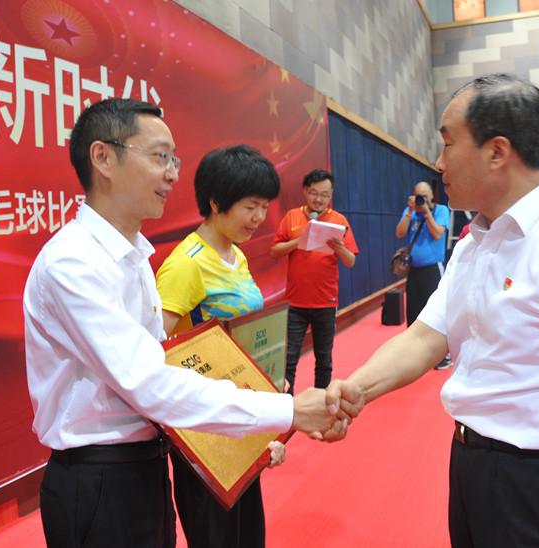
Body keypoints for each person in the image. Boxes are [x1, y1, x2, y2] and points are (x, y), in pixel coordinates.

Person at [325, 74, 539, 547]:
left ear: (497, 152)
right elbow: (425, 337)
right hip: (472, 464)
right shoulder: (473, 244)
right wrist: (356, 388)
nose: (439, 163)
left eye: (447, 144)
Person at [23, 98, 347, 548]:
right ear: (103, 158)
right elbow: (149, 381)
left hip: (149, 466)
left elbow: (175, 363)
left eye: (173, 160)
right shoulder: (72, 264)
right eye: (160, 157)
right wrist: (285, 410)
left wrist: (254, 430)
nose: (173, 174)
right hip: (100, 481)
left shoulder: (134, 260)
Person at [155, 145, 284, 547]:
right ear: (215, 202)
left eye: (264, 206)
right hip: (204, 434)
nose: (259, 217)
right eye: (250, 206)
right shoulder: (186, 264)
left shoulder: (236, 257)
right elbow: (154, 350)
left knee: (249, 536)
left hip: (239, 421)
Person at [269, 169, 358, 394]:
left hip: (325, 302)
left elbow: (350, 261)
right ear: (305, 192)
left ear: (331, 195)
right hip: (295, 303)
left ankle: (321, 404)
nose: (319, 199)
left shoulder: (339, 221)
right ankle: (287, 405)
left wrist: (340, 249)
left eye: (324, 195)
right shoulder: (292, 217)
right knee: (289, 360)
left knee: (324, 359)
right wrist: (299, 241)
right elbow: (274, 251)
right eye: (314, 193)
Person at [395, 181, 450, 369]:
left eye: (425, 197)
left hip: (433, 269)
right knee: (413, 311)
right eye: (419, 196)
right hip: (414, 270)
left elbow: (438, 234)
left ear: (432, 196)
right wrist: (410, 211)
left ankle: (440, 357)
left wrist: (426, 212)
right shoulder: (410, 211)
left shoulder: (441, 210)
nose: (422, 200)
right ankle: (414, 356)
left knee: (436, 313)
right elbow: (399, 232)